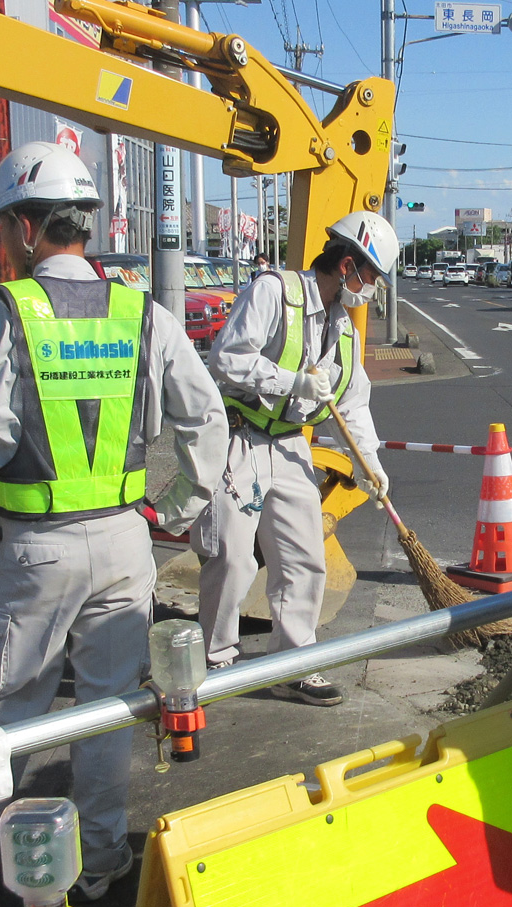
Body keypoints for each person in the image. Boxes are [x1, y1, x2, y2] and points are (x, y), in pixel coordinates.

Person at [0, 141, 227, 903]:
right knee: (107, 706)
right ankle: (102, 856)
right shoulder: (142, 313)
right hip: (126, 542)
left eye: (3, 227)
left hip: (33, 550)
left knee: (5, 713)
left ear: (24, 228)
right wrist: (174, 510)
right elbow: (207, 422)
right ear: (81, 222)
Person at [194, 211, 398, 705]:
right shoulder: (273, 293)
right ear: (348, 265)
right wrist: (294, 383)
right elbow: (227, 358)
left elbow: (353, 405)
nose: (370, 290)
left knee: (304, 556)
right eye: (370, 278)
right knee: (231, 555)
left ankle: (295, 662)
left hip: (289, 445)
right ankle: (216, 658)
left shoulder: (344, 331)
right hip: (239, 440)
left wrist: (372, 465)